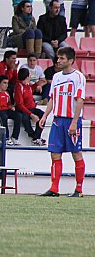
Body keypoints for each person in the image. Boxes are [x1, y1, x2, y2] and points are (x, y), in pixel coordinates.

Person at [39, 47, 86, 197]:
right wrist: (45, 115)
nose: (58, 61)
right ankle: (54, 188)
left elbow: (79, 101)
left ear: (71, 60)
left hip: (71, 120)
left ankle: (79, 189)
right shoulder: (57, 77)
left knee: (76, 153)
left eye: (62, 58)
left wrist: (74, 122)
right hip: (57, 120)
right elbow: (52, 98)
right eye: (58, 58)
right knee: (54, 153)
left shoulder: (78, 77)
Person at [15, 68, 46, 146]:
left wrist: (37, 84)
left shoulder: (28, 85)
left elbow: (31, 89)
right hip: (23, 109)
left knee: (42, 115)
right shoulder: (19, 87)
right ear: (27, 77)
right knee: (25, 118)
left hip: (31, 107)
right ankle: (32, 135)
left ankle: (36, 137)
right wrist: (31, 114)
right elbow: (20, 105)